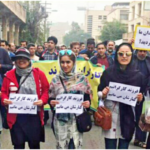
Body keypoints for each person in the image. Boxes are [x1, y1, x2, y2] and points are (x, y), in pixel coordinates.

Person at [97, 43, 145, 149]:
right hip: (110, 117)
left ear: (132, 55)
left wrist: (139, 99)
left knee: (124, 146)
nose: (124, 56)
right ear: (116, 55)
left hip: (128, 118)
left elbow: (141, 98)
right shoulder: (108, 73)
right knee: (110, 147)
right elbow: (99, 92)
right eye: (121, 53)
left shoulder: (138, 76)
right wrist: (103, 94)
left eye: (127, 54)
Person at [1, 48, 49, 149]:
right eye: (19, 58)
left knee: (34, 145)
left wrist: (43, 100)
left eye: (24, 58)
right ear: (15, 60)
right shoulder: (9, 75)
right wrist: (4, 100)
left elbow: (46, 90)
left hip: (34, 117)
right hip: (16, 117)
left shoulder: (39, 74)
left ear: (29, 60)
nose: (21, 60)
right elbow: (4, 92)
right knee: (18, 145)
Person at [49, 50, 92, 149]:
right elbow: (50, 97)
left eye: (68, 62)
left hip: (76, 121)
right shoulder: (55, 79)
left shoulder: (82, 79)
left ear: (73, 63)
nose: (65, 65)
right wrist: (51, 102)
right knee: (62, 146)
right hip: (60, 121)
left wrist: (87, 104)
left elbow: (87, 97)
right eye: (62, 62)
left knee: (74, 146)